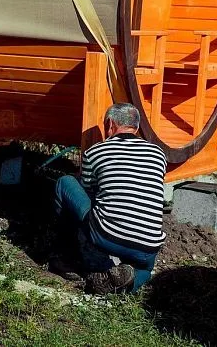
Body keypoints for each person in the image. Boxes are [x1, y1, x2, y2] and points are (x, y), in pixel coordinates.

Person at [51, 103, 167, 294]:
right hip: (148, 245)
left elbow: (88, 192)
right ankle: (126, 282)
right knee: (145, 270)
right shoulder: (158, 154)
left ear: (111, 124)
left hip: (106, 236)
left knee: (66, 182)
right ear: (136, 127)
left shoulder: (95, 152)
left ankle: (66, 259)